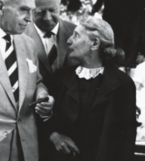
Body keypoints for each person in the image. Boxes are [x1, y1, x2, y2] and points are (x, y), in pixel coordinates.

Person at [0, 0, 54, 161]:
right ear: (0, 6)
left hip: (26, 149)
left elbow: (37, 81)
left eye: (32, 11)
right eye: (24, 10)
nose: (29, 19)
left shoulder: (28, 45)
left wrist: (43, 96)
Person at [48, 17, 136, 161]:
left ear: (94, 43)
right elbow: (44, 118)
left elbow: (126, 140)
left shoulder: (123, 84)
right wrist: (54, 136)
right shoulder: (61, 78)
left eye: (76, 35)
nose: (69, 40)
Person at [25, 0, 77, 92]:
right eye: (40, 12)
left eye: (52, 10)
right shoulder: (19, 37)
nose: (47, 18)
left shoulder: (76, 33)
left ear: (60, 2)